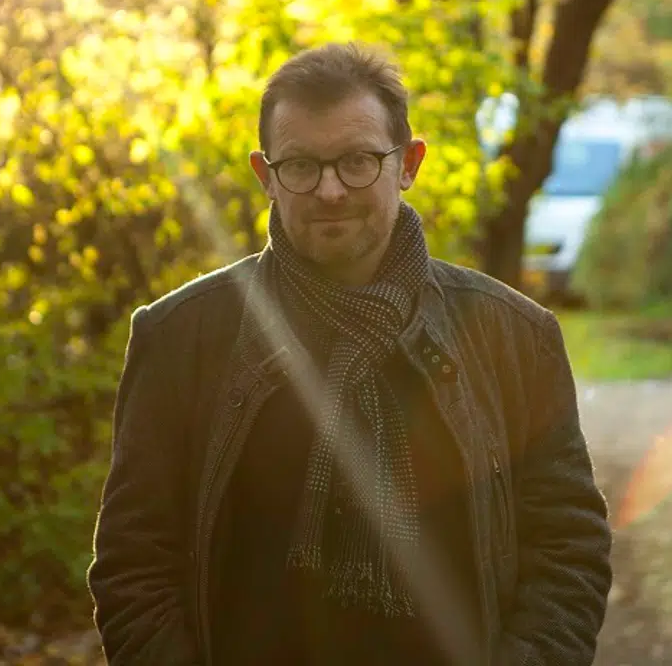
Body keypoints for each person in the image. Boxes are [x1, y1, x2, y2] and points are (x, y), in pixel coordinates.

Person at [87, 43, 613, 666]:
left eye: (358, 161)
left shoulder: (512, 337)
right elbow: (134, 564)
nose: (330, 190)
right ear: (266, 175)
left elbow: (568, 548)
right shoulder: (181, 338)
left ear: (409, 163)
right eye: (302, 166)